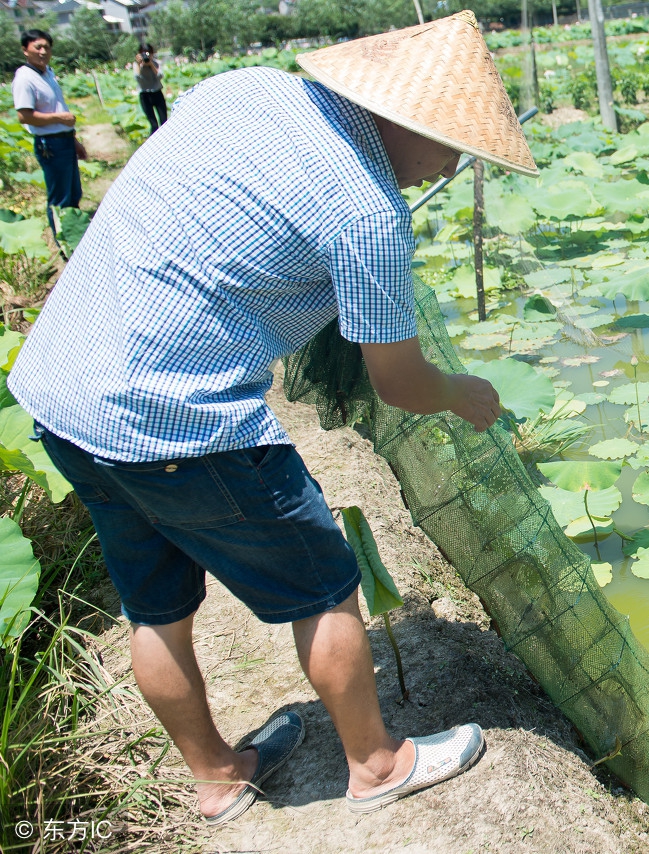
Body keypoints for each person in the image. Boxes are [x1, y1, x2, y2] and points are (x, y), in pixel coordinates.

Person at [9, 12, 539, 825]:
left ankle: (218, 778)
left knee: (155, 608)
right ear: (410, 122)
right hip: (179, 418)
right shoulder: (366, 212)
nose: (455, 165)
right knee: (324, 587)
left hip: (63, 393)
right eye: (456, 147)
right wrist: (460, 392)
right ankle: (376, 764)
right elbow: (399, 382)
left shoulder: (245, 91)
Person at [11, 29, 86, 231]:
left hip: (64, 139)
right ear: (25, 50)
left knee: (73, 192)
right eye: (38, 47)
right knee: (60, 196)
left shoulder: (47, 73)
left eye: (47, 47)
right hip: (50, 144)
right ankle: (63, 239)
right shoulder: (25, 78)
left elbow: (56, 106)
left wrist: (74, 141)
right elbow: (24, 116)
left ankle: (74, 232)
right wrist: (59, 118)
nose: (43, 52)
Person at [134, 42, 167, 134]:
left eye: (148, 53)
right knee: (154, 125)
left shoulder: (156, 63)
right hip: (145, 95)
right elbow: (137, 78)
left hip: (157, 93)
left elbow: (160, 76)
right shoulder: (136, 65)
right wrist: (139, 64)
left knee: (164, 122)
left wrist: (151, 64)